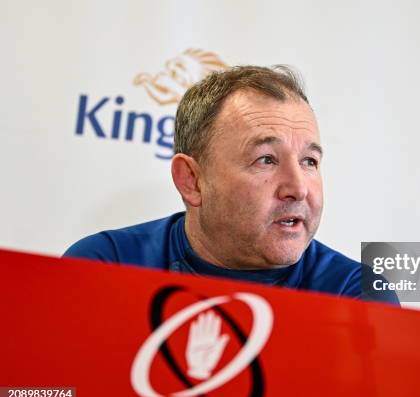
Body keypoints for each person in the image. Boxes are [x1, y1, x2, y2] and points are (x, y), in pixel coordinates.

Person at [64, 65, 397, 303]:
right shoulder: (103, 266)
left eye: (309, 161)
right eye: (266, 159)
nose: (299, 188)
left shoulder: (357, 295)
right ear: (191, 180)